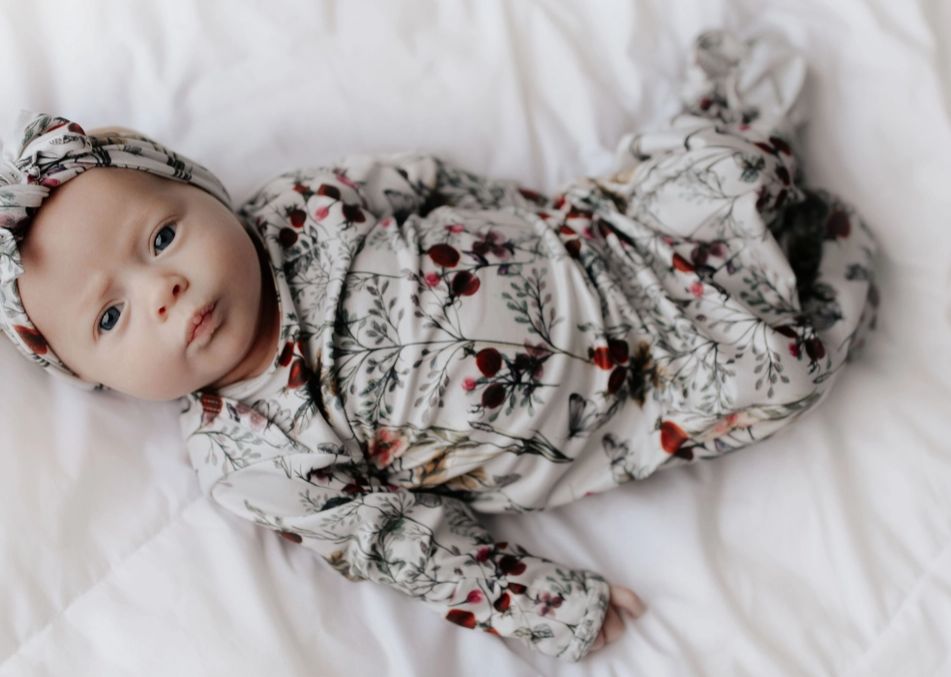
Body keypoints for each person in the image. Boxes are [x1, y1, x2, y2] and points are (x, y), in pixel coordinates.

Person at [0, 30, 878, 662]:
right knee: (780, 366)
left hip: (587, 247)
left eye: (161, 239)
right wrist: (539, 604)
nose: (164, 292)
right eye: (110, 319)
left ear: (206, 192)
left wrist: (534, 214)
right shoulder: (251, 451)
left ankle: (738, 143)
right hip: (618, 396)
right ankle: (803, 255)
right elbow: (405, 545)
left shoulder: (300, 208)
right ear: (92, 379)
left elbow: (421, 181)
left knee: (711, 172)